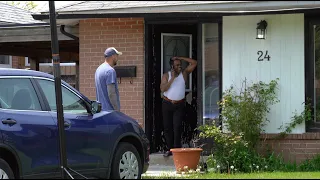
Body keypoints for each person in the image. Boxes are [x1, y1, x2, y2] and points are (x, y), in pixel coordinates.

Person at [160, 56, 197, 157]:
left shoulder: (184, 74)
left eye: (180, 65)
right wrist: (172, 78)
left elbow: (194, 63)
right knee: (168, 127)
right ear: (172, 66)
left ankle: (176, 149)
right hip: (167, 103)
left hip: (179, 104)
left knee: (177, 127)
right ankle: (169, 149)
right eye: (177, 65)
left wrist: (181, 57)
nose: (179, 67)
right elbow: (163, 89)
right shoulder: (166, 76)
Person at [95, 47, 122, 111]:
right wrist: (117, 110)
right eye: (117, 56)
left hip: (101, 110)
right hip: (110, 112)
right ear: (113, 56)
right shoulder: (110, 71)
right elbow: (111, 93)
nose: (117, 58)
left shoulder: (99, 69)